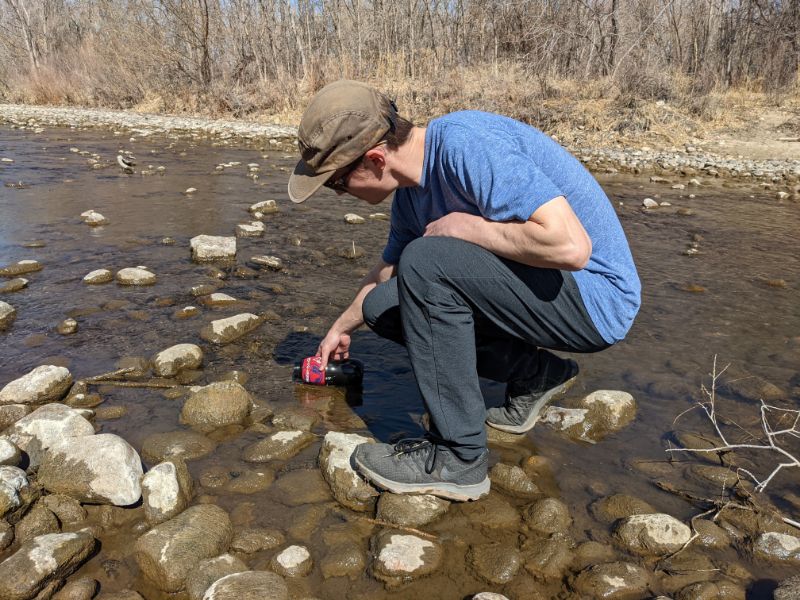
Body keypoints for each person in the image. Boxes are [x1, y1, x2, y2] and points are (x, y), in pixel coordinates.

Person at [287, 80, 640, 502]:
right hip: (549, 294)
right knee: (384, 305)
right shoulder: (410, 198)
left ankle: (458, 457)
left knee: (426, 260)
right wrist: (340, 328)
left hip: (597, 299)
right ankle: (535, 375)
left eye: (337, 184)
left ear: (376, 159)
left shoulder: (467, 144)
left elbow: (570, 246)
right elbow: (389, 269)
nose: (339, 194)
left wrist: (467, 228)